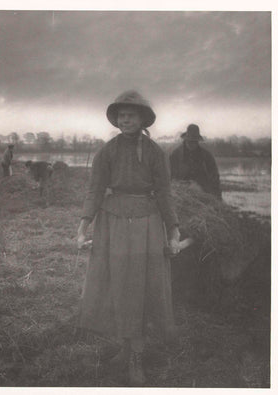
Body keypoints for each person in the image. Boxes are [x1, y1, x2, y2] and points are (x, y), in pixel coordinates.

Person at [76, 90, 181, 385]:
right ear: (116, 119)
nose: (125, 120)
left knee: (141, 286)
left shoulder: (156, 153)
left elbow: (164, 194)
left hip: (147, 225)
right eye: (121, 115)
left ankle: (137, 355)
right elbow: (95, 190)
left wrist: (173, 230)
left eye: (131, 115)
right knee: (118, 285)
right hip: (112, 224)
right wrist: (84, 225)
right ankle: (125, 347)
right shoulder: (106, 152)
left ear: (142, 119)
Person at [170, 124, 222, 199]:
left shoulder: (207, 156)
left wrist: (218, 196)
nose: (192, 144)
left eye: (195, 141)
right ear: (185, 139)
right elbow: (169, 176)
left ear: (198, 141)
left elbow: (215, 178)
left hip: (203, 193)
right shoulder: (175, 155)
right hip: (181, 194)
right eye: (190, 141)